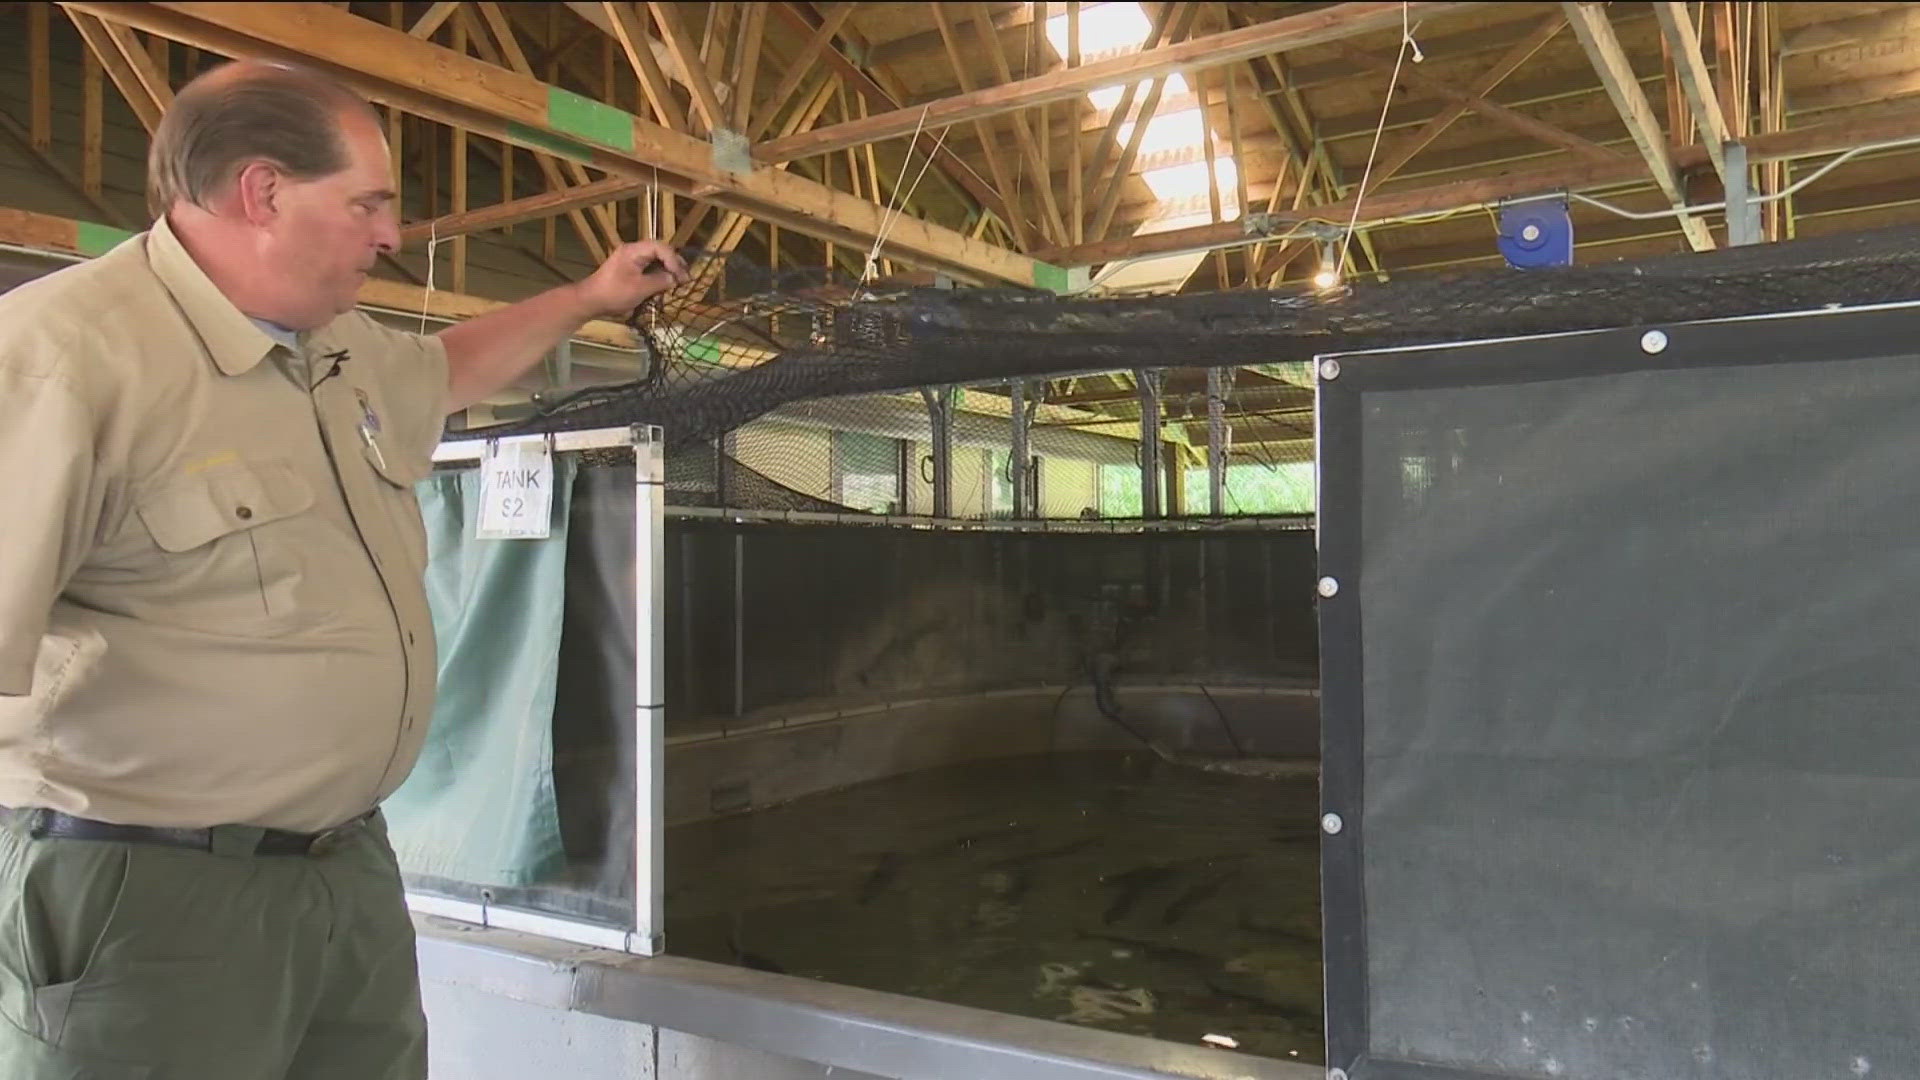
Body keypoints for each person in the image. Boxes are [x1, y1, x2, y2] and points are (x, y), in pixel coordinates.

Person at [0, 60, 688, 1079]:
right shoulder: (64, 358)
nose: (391, 235)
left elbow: (449, 370)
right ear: (262, 191)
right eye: (367, 202)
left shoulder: (338, 347)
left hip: (348, 870)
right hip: (146, 896)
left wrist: (589, 295)